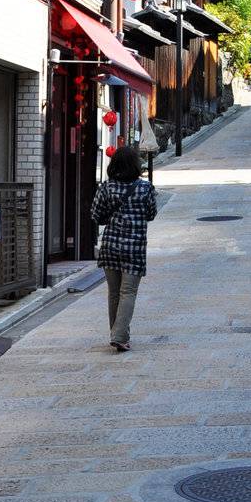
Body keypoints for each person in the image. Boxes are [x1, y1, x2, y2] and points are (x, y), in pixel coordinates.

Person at [90, 144, 158, 352]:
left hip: (110, 245)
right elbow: (151, 214)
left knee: (114, 293)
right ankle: (119, 335)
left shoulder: (106, 187)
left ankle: (117, 335)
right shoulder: (146, 188)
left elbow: (96, 215)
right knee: (128, 291)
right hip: (134, 247)